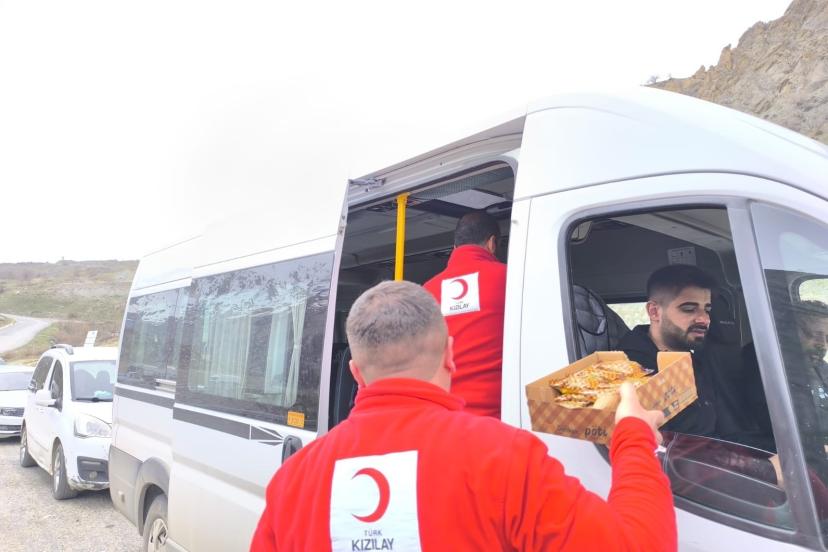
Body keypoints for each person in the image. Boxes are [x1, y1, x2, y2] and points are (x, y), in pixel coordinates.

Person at [251, 281, 676, 552]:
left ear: (355, 373)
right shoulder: (505, 458)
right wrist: (633, 435)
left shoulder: (293, 481)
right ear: (450, 355)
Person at [618, 265, 732, 438]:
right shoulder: (628, 369)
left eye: (707, 310)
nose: (704, 319)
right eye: (689, 309)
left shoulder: (695, 360)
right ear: (654, 312)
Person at [422, 211, 506, 417]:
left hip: (442, 418)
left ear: (454, 247)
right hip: (498, 419)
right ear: (492, 243)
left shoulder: (426, 292)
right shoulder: (509, 279)